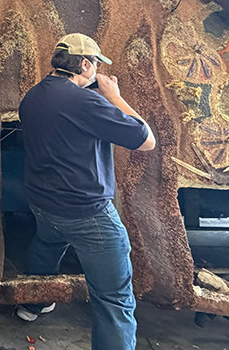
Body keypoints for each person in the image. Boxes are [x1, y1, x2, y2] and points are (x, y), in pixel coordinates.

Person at [16, 33, 156, 350]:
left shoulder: (34, 96)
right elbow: (146, 140)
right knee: (115, 298)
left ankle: (32, 304)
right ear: (84, 64)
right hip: (88, 214)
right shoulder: (86, 102)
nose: (97, 70)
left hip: (43, 202)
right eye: (95, 64)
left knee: (48, 244)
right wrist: (113, 96)